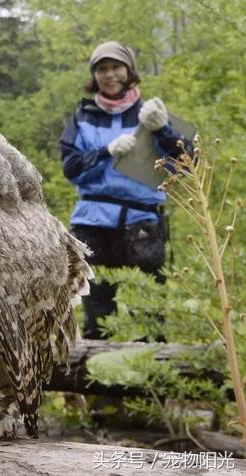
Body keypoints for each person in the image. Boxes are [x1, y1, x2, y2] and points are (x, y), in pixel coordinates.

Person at [60, 40, 192, 340]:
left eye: (116, 67)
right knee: (98, 310)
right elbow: (71, 168)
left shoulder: (153, 113)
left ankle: (151, 379)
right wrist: (106, 151)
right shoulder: (82, 117)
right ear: (94, 76)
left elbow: (187, 165)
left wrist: (163, 129)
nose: (110, 75)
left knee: (148, 312)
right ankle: (98, 381)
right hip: (93, 222)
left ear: (129, 71)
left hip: (142, 223)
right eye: (102, 69)